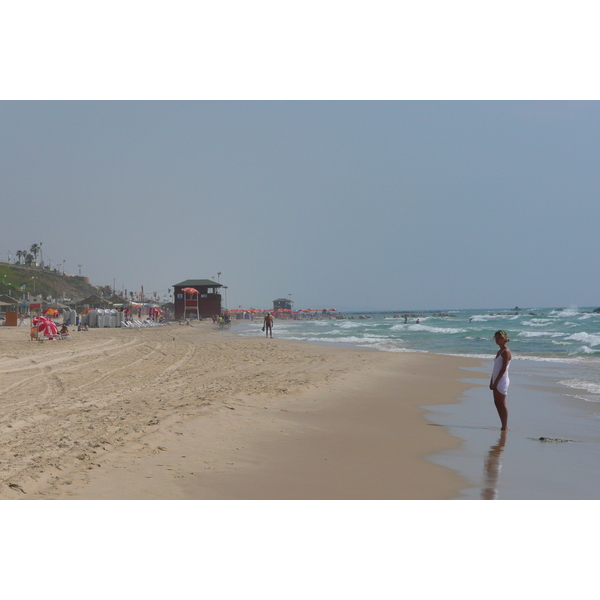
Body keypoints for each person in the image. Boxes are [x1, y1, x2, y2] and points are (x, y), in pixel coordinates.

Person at [490, 330, 511, 431]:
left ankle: (505, 426)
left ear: (504, 339)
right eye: (496, 338)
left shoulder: (506, 351)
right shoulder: (499, 351)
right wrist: (491, 381)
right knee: (497, 403)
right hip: (496, 379)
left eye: (499, 338)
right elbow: (496, 367)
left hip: (501, 380)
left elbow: (503, 369)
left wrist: (496, 382)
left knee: (502, 403)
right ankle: (502, 425)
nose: (497, 340)